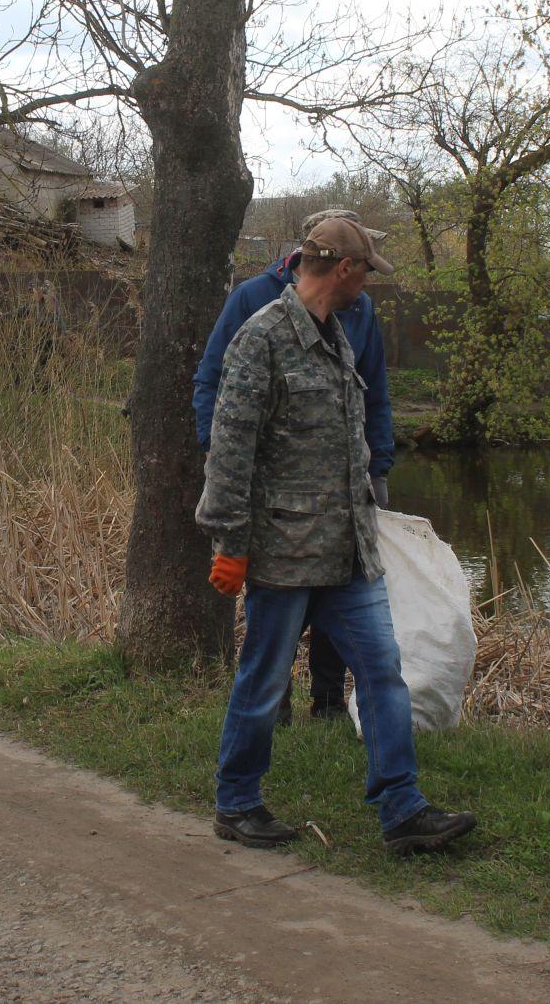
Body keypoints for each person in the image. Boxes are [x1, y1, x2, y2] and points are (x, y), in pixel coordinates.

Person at [198, 217, 477, 855]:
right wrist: (229, 542)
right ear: (343, 270)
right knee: (264, 679)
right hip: (283, 553)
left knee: (384, 671)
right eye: (365, 272)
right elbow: (230, 449)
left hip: (348, 552)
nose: (367, 287)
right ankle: (237, 801)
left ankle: (402, 810)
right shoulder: (261, 338)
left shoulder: (338, 337)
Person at [194, 207, 395, 721]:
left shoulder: (359, 311)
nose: (368, 276)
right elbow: (216, 387)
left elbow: (374, 395)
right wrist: (221, 467)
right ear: (339, 263)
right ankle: (264, 730)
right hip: (280, 515)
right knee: (273, 645)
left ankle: (333, 710)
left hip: (344, 505)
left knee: (374, 655)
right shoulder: (256, 305)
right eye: (364, 262)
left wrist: (379, 467)